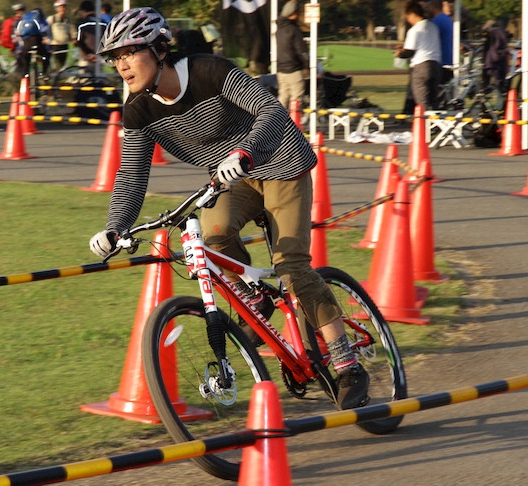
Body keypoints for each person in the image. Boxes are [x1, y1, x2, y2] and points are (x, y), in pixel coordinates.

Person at [88, 7, 370, 410]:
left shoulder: (208, 71)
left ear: (159, 48)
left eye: (129, 52)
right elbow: (131, 174)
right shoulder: (138, 109)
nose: (121, 65)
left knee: (291, 267)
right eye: (114, 57)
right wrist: (115, 226)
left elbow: (272, 110)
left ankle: (348, 364)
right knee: (213, 234)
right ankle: (254, 300)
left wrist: (246, 149)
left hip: (279, 161)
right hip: (230, 177)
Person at [395, 0, 442, 112]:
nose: (408, 19)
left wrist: (399, 54)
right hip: (436, 65)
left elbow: (409, 52)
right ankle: (436, 126)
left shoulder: (415, 30)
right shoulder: (433, 26)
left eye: (408, 16)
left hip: (421, 67)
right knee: (433, 100)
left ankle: (424, 127)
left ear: (412, 14)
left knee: (422, 102)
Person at [276, 1, 309, 109]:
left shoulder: (279, 28)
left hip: (281, 69)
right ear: (294, 13)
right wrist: (307, 65)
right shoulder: (293, 30)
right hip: (293, 70)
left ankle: (277, 124)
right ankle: (294, 125)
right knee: (296, 100)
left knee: (283, 98)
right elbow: (301, 50)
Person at [14, 7, 49, 78]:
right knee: (47, 54)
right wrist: (46, 38)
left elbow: (18, 32)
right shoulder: (39, 17)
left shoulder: (25, 17)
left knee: (25, 57)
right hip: (36, 41)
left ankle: (25, 74)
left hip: (26, 42)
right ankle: (43, 73)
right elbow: (44, 28)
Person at [426, 0, 453, 83]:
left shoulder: (435, 23)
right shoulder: (448, 20)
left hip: (439, 64)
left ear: (433, 7)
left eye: (428, 7)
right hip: (449, 62)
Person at [75, 1, 106, 71]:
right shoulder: (103, 23)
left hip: (86, 58)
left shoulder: (82, 23)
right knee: (99, 80)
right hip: (99, 57)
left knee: (85, 79)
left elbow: (79, 41)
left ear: (83, 11)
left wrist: (89, 54)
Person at [481, 19, 510, 93]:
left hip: (491, 60)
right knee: (498, 81)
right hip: (497, 60)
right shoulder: (500, 33)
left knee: (487, 81)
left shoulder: (492, 34)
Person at [47, 0, 77, 71]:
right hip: (54, 45)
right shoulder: (52, 19)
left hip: (65, 45)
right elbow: (45, 30)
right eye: (61, 7)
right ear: (57, 8)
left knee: (62, 64)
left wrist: (73, 39)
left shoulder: (67, 20)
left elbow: (71, 32)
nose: (63, 9)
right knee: (55, 64)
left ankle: (60, 78)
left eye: (64, 7)